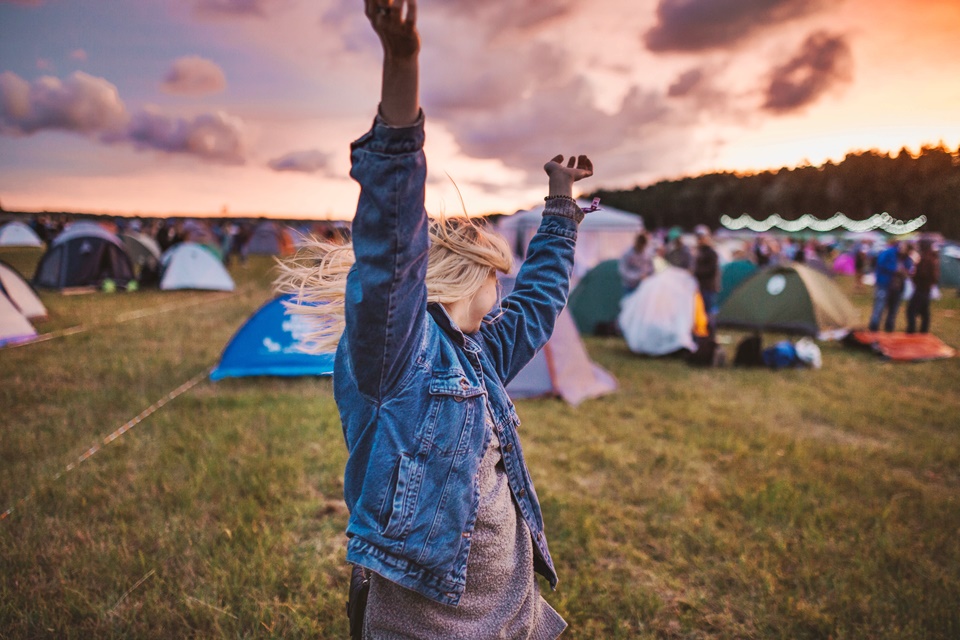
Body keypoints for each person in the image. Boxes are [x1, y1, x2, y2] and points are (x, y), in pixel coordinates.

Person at [276, 2, 593, 637]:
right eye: (492, 272)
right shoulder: (398, 356)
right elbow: (391, 239)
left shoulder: (477, 352)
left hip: (510, 614)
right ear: (453, 277)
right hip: (430, 626)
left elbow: (538, 306)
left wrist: (559, 211)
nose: (501, 286)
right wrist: (402, 66)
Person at [869, 239, 914, 332]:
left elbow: (908, 268)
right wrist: (894, 269)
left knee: (893, 309)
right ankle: (874, 328)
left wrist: (906, 270)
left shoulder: (907, 258)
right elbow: (880, 263)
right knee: (879, 307)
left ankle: (889, 328)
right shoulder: (889, 252)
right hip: (884, 284)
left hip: (898, 286)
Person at [906, 239, 940, 334]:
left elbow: (922, 274)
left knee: (911, 311)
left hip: (921, 288)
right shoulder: (932, 259)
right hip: (925, 289)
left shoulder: (926, 259)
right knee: (924, 312)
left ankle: (911, 331)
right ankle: (923, 332)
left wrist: (914, 276)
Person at [692, 224, 719, 335]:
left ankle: (710, 333)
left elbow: (710, 270)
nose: (700, 240)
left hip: (708, 286)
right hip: (700, 286)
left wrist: (696, 272)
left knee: (708, 311)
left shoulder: (711, 253)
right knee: (701, 311)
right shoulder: (698, 252)